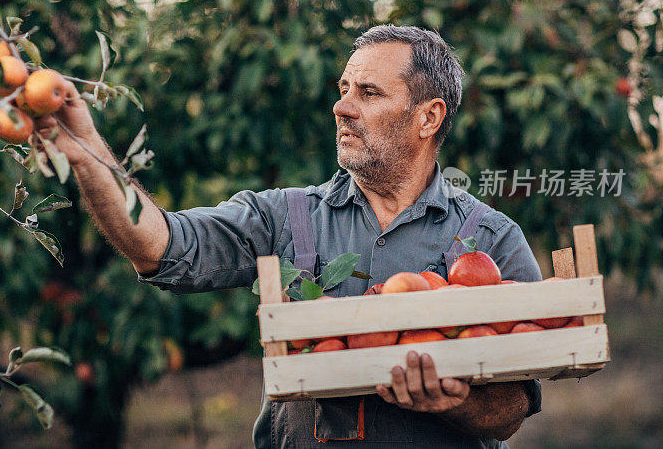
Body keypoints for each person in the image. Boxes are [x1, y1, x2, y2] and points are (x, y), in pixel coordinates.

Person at [37, 25, 542, 448]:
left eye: (368, 94)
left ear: (428, 117)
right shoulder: (283, 217)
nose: (342, 108)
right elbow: (162, 245)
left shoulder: (490, 238)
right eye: (343, 90)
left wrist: (461, 402)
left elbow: (512, 408)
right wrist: (88, 154)